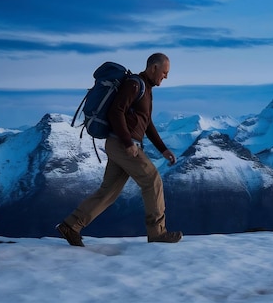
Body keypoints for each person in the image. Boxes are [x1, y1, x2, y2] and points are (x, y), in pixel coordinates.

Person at [56, 53, 182, 246]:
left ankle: (71, 225)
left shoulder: (146, 89)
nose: (165, 77)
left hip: (120, 144)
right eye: (164, 72)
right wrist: (128, 143)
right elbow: (116, 112)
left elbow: (147, 123)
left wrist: (163, 150)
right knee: (152, 180)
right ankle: (158, 232)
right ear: (154, 68)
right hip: (123, 144)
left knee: (108, 192)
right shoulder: (135, 84)